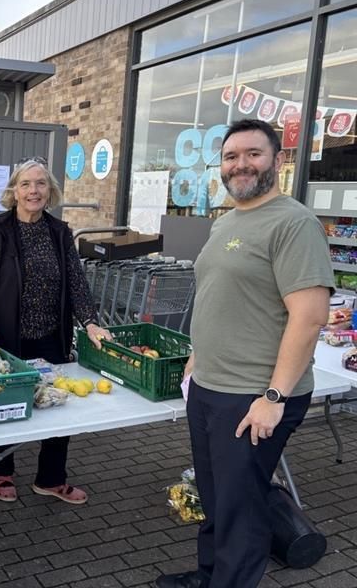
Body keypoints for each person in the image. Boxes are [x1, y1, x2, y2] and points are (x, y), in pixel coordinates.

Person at [156, 119, 333, 588]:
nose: (241, 164)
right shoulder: (227, 221)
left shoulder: (294, 223)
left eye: (253, 154)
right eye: (231, 156)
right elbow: (223, 295)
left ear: (278, 160)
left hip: (254, 395)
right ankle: (209, 575)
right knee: (214, 496)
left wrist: (274, 397)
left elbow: (310, 316)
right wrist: (198, 355)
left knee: (241, 508)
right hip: (210, 386)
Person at [0, 156, 111, 505]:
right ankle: (2, 471)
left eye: (41, 183)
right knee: (4, 401)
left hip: (51, 335)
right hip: (7, 336)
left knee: (58, 405)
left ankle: (51, 478)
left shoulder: (59, 232)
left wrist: (91, 322)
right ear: (14, 191)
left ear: (50, 191)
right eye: (26, 184)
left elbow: (76, 283)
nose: (34, 191)